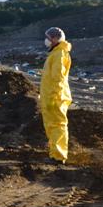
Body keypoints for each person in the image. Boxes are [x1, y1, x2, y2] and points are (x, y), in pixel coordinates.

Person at [39, 27, 72, 164]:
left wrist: (53, 97)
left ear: (54, 39)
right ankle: (55, 153)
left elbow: (58, 78)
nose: (46, 40)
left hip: (56, 97)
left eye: (48, 37)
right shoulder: (56, 53)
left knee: (58, 125)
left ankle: (58, 157)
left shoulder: (59, 54)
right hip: (52, 96)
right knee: (52, 126)